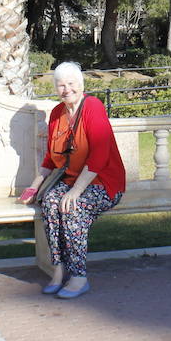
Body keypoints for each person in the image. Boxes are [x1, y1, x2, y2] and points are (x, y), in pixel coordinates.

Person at [17, 61, 126, 299]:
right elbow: (51, 157)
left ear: (81, 84)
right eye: (61, 85)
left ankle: (78, 277)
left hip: (103, 181)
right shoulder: (57, 113)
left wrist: (75, 191)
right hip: (71, 180)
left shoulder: (93, 106)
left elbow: (99, 155)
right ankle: (58, 271)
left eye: (71, 83)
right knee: (49, 203)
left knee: (72, 209)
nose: (66, 89)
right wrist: (34, 186)